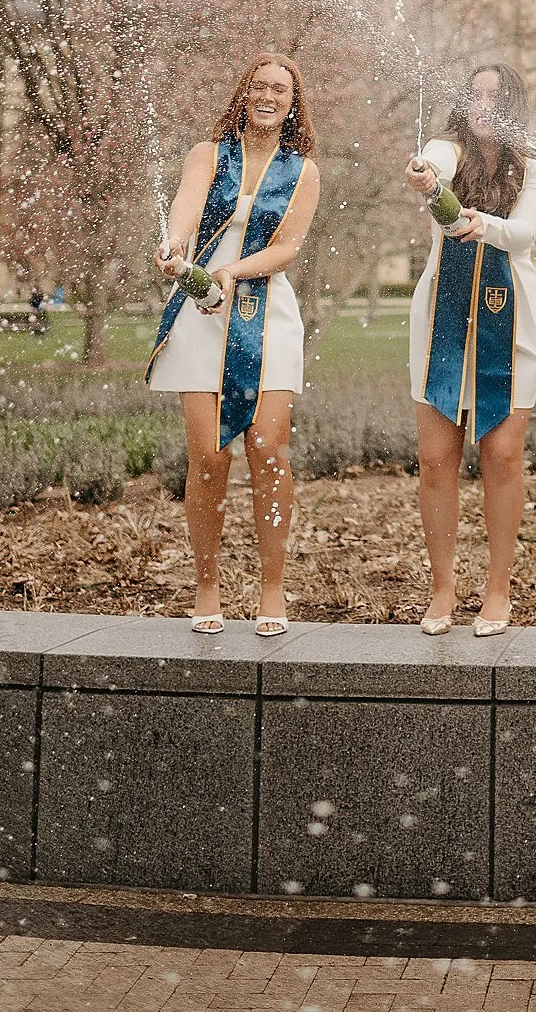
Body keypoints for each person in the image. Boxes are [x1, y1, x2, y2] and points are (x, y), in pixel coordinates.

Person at [150, 52, 321, 636]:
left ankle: (272, 589)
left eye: (280, 90)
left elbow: (287, 248)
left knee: (268, 450)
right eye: (259, 86)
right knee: (209, 456)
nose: (268, 97)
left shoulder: (303, 171)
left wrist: (233, 272)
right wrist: (175, 247)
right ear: (244, 94)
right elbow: (184, 209)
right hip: (201, 313)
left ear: (293, 103)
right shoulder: (209, 154)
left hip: (266, 313)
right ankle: (208, 586)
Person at [405, 64, 536, 638]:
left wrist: (480, 224)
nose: (485, 104)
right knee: (435, 457)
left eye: (497, 96)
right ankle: (443, 587)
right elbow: (434, 165)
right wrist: (426, 176)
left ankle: (498, 587)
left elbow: (523, 233)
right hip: (440, 316)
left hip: (511, 317)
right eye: (476, 94)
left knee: (503, 454)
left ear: (514, 105)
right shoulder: (446, 148)